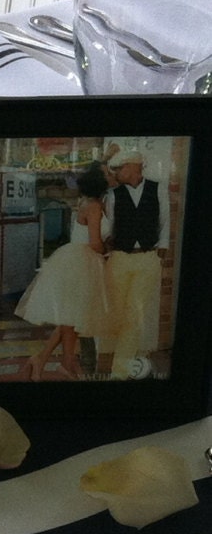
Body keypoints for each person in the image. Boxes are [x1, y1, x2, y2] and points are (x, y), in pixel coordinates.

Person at [14, 164, 110, 380]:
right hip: (84, 261)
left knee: (70, 316)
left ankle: (43, 360)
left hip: (76, 260)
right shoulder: (94, 206)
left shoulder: (85, 202)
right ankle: (66, 364)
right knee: (72, 317)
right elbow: (95, 243)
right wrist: (109, 252)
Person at [100, 148, 167, 378]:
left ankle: (119, 372)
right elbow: (109, 228)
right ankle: (117, 358)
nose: (117, 173)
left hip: (147, 258)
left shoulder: (157, 189)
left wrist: (161, 248)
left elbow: (164, 220)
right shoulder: (113, 195)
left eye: (120, 169)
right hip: (120, 258)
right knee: (117, 313)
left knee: (134, 315)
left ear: (133, 167)